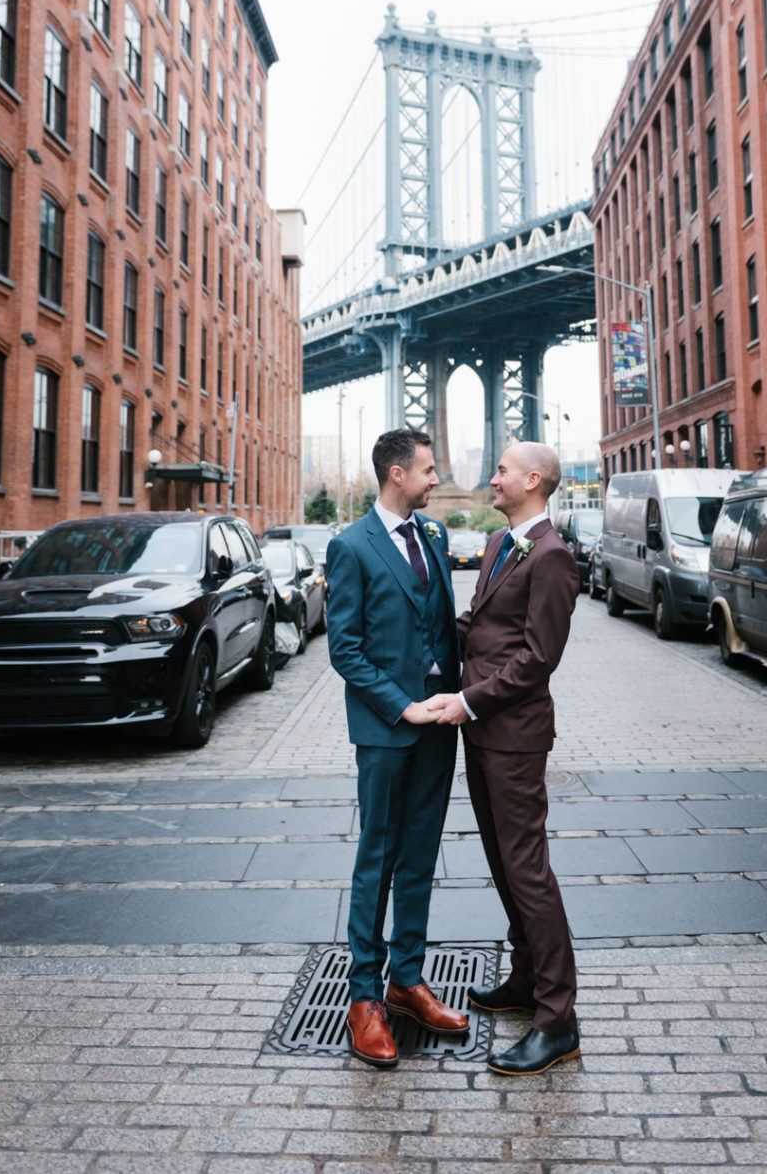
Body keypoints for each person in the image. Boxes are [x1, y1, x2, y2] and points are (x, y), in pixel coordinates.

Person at [428, 440, 580, 1076]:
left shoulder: (552, 557)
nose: (492, 478)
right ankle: (524, 979)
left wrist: (470, 700)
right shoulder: (499, 543)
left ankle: (558, 1020)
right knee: (500, 860)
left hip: (513, 734)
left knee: (528, 870)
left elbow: (538, 658)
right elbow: (479, 626)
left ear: (534, 480)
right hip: (483, 731)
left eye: (502, 471)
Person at [326, 427, 468, 1068]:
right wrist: (401, 703)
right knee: (376, 859)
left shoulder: (433, 538)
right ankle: (364, 997)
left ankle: (406, 981)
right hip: (386, 731)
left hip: (440, 726)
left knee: (420, 855)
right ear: (395, 474)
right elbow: (345, 648)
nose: (436, 479)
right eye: (429, 471)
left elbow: (443, 624)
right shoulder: (348, 547)